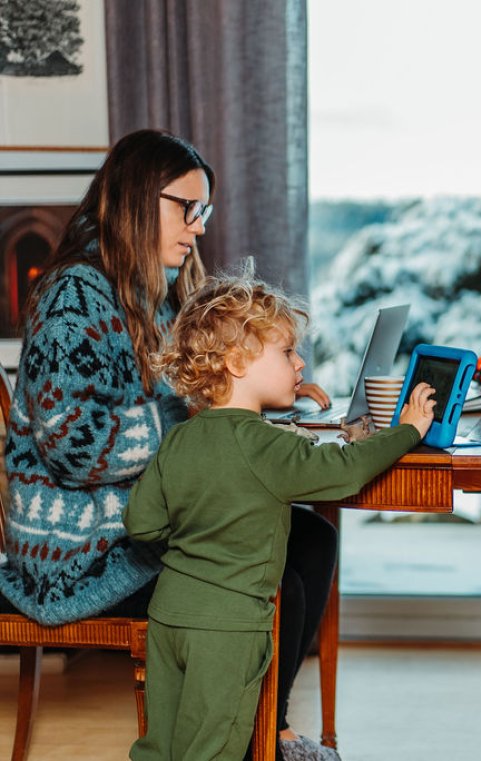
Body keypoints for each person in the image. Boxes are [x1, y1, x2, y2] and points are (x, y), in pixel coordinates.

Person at [0, 129, 336, 760]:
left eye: (203, 211)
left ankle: (272, 731)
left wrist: (261, 391)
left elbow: (189, 416)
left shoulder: (148, 291)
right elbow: (74, 447)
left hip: (141, 519)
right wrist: (192, 409)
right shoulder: (75, 297)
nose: (200, 227)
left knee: (310, 537)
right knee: (263, 575)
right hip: (75, 553)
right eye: (189, 208)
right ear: (136, 199)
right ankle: (251, 743)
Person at [124, 275, 435, 760]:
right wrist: (409, 431)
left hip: (168, 616)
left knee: (158, 746)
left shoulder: (180, 438)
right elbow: (345, 472)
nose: (300, 362)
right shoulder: (268, 446)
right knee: (213, 748)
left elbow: (141, 523)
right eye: (288, 351)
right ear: (236, 361)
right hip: (229, 628)